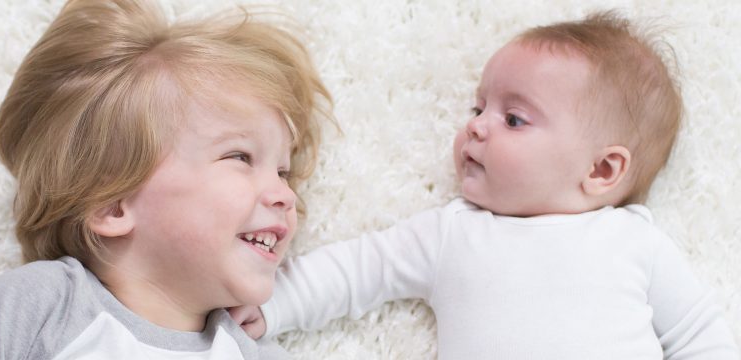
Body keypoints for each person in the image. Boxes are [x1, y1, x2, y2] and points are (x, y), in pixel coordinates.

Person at [229, 10, 739, 359]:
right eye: (478, 108)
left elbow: (700, 335)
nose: (475, 125)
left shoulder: (633, 241)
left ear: (602, 171)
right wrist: (275, 306)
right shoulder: (452, 233)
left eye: (514, 119)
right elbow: (357, 270)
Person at [0, 0, 333, 358]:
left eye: (282, 171)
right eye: (240, 157)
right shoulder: (44, 304)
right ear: (113, 203)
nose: (285, 193)